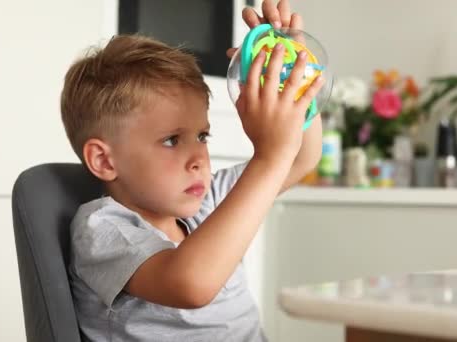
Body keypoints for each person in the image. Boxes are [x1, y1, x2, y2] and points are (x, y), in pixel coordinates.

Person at [60, 1, 324, 340]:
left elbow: (302, 158)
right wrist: (268, 158)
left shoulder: (208, 199)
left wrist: (292, 78)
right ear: (105, 161)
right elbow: (191, 285)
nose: (199, 157)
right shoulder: (103, 229)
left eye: (202, 135)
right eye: (172, 140)